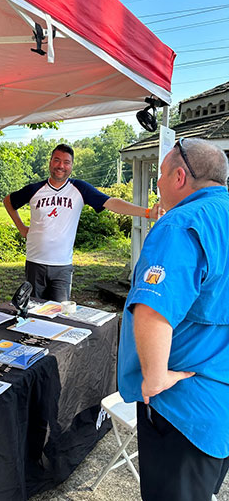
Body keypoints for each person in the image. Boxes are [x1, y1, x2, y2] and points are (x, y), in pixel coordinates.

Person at [118, 138, 229, 501]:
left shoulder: (181, 223)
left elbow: (153, 309)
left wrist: (154, 378)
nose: (158, 185)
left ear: (180, 176)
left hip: (183, 407)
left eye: (161, 176)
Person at [4, 144, 159, 301]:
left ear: (71, 166)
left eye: (66, 162)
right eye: (57, 160)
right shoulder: (35, 189)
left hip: (62, 266)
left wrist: (147, 212)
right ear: (50, 162)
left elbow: (112, 203)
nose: (61, 166)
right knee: (32, 311)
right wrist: (21, 228)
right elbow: (8, 201)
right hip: (35, 262)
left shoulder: (79, 189)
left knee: (60, 313)